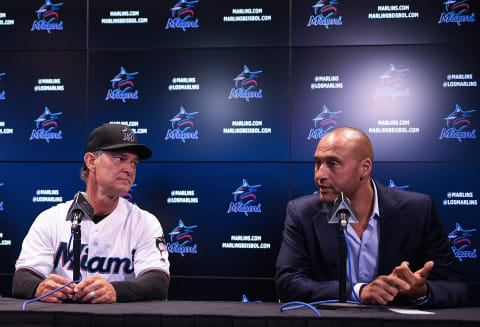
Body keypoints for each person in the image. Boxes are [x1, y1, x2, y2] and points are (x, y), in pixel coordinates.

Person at [275, 127, 467, 307]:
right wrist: (360, 292)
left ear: (365, 168)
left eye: (333, 163)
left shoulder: (418, 210)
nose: (320, 175)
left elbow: (456, 287)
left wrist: (420, 291)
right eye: (318, 163)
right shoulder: (301, 212)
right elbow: (288, 283)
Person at [12, 123, 170, 303]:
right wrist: (38, 287)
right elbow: (22, 279)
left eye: (134, 163)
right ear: (91, 161)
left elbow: (158, 281)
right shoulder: (50, 219)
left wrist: (115, 290)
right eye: (120, 158)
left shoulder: (144, 222)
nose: (129, 169)